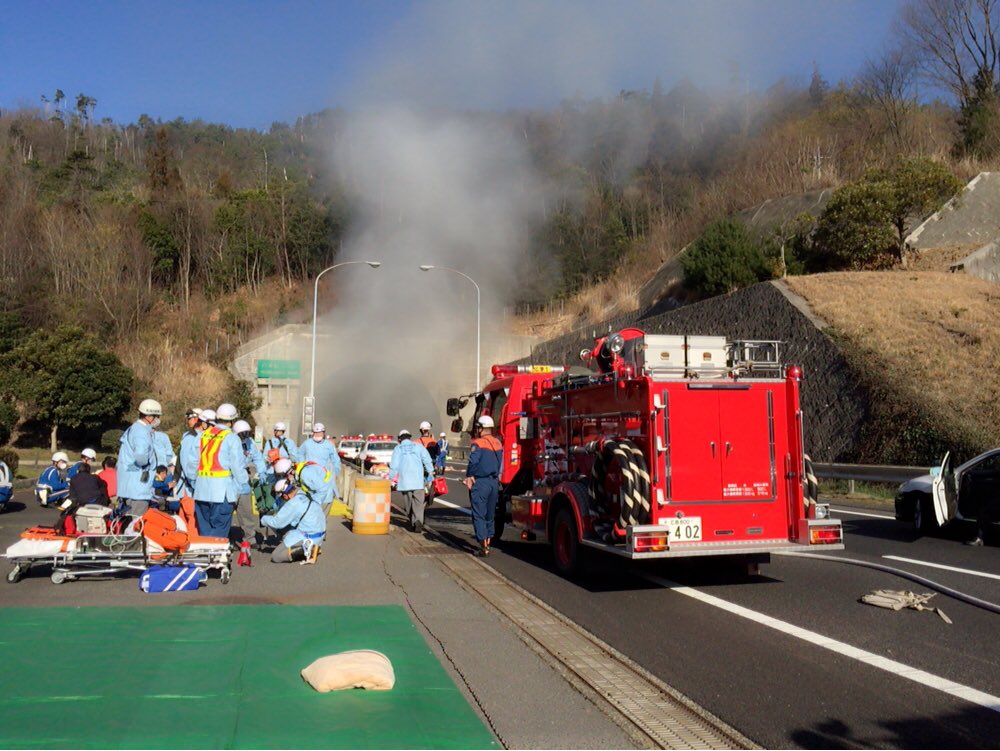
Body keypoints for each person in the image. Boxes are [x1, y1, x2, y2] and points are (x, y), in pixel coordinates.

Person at [193, 403, 248, 539]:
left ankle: (205, 558)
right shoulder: (232, 438)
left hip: (201, 491)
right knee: (219, 533)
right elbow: (237, 467)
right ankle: (216, 558)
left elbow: (191, 465)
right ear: (232, 420)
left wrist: (195, 483)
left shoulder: (201, 436)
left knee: (205, 532)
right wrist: (244, 482)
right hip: (222, 492)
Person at [260, 471, 328, 563]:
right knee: (286, 530)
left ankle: (304, 549)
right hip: (319, 534)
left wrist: (263, 519)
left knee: (276, 556)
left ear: (284, 495)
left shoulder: (293, 504)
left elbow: (277, 523)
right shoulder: (303, 493)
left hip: (308, 536)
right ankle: (313, 547)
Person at [464, 415, 503, 557]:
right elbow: (500, 464)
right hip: (494, 482)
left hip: (481, 482)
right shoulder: (498, 443)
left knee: (478, 514)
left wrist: (469, 476)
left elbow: (473, 462)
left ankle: (483, 547)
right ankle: (488, 542)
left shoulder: (478, 443)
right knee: (489, 514)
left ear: (480, 428)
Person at [117, 398, 162, 517]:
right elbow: (141, 455)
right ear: (149, 417)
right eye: (157, 416)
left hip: (129, 484)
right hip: (138, 486)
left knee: (128, 520)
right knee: (136, 522)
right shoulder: (141, 432)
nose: (158, 419)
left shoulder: (134, 429)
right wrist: (146, 465)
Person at [389, 428, 433, 533]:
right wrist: (430, 473)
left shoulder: (398, 449)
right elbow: (427, 460)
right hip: (418, 481)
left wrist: (390, 479)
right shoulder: (419, 447)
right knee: (419, 503)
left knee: (408, 504)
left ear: (400, 439)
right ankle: (418, 520)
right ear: (410, 437)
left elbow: (394, 466)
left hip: (405, 483)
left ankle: (413, 521)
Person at [233, 419, 267, 544]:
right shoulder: (230, 442)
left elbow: (257, 458)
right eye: (242, 434)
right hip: (231, 480)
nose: (245, 437)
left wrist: (262, 471)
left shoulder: (250, 442)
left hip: (244, 480)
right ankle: (225, 539)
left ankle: (249, 538)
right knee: (227, 512)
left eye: (247, 434)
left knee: (246, 511)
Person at [298, 422, 341, 502]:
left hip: (324, 478)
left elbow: (336, 460)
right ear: (313, 433)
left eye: (320, 433)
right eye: (316, 433)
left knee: (324, 502)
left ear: (324, 433)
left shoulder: (328, 445)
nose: (318, 435)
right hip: (309, 477)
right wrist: (302, 466)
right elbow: (300, 453)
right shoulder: (307, 443)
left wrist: (335, 473)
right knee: (309, 500)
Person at [175, 408, 203, 498]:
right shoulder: (189, 437)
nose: (188, 421)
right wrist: (194, 483)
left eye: (190, 419)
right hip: (189, 486)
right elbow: (186, 463)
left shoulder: (203, 436)